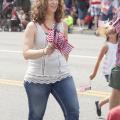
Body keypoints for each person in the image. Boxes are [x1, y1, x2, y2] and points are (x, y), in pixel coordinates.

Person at [23, 0, 80, 120]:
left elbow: (65, 50)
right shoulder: (33, 26)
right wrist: (44, 51)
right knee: (36, 116)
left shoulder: (62, 25)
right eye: (51, 0)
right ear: (43, 3)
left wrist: (62, 66)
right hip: (37, 79)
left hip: (62, 76)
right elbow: (26, 53)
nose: (54, 2)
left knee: (73, 112)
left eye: (57, 0)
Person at [89, 26, 118, 116]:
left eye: (113, 32)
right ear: (107, 35)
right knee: (117, 92)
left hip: (118, 70)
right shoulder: (106, 45)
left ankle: (100, 104)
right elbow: (99, 60)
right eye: (110, 33)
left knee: (117, 93)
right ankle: (113, 114)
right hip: (109, 72)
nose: (112, 34)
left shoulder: (119, 43)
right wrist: (94, 73)